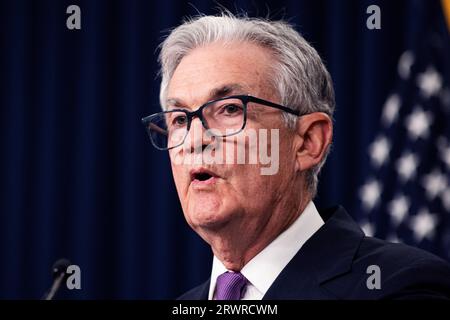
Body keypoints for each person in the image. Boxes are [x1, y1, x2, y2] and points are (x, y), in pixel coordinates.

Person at [141, 13, 450, 299]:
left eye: (230, 109)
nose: (195, 140)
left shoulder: (401, 285)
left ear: (308, 142)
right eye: (180, 119)